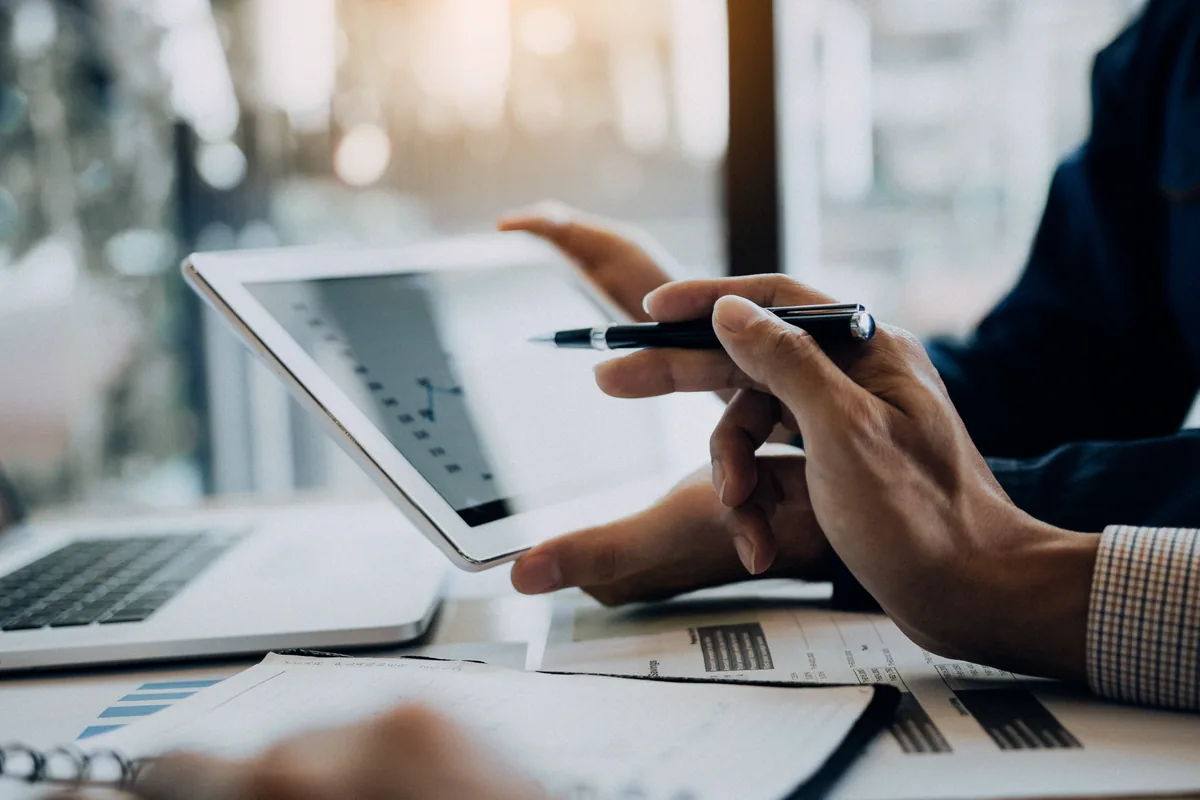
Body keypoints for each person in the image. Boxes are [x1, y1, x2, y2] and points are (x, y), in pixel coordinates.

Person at [84, 0, 1200, 796]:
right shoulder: (1167, 50)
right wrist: (784, 376)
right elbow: (1059, 367)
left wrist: (963, 558)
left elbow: (997, 470)